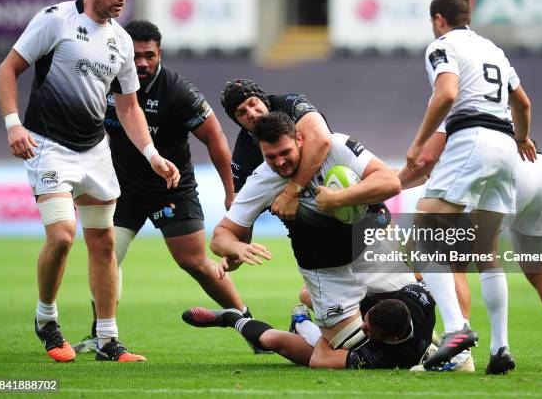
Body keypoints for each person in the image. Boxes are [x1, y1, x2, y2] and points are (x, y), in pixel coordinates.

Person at [0, 0, 180, 363]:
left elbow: (129, 107)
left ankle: (108, 341)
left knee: (104, 242)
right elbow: (7, 70)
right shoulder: (55, 19)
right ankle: (46, 319)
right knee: (61, 237)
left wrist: (151, 154)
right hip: (48, 144)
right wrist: (12, 124)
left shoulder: (122, 41)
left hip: (94, 150)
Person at [72, 20, 256, 353]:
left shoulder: (178, 91)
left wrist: (231, 193)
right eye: (136, 55)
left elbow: (215, 138)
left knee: (195, 262)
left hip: (171, 188)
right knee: (106, 255)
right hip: (120, 189)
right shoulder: (105, 79)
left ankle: (246, 322)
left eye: (149, 56)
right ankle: (102, 334)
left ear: (160, 54)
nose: (142, 63)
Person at [203, 111, 419, 351]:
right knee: (355, 347)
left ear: (299, 139)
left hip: (369, 246)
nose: (280, 162)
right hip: (326, 268)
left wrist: (337, 199)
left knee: (412, 319)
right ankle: (302, 323)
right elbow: (220, 235)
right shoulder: (262, 179)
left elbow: (390, 183)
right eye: (270, 157)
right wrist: (237, 246)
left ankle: (319, 299)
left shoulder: (336, 146)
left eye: (285, 152)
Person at [404, 0, 537, 373]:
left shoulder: (442, 46)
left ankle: (456, 329)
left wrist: (417, 144)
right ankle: (500, 349)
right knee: (486, 252)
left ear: (438, 20)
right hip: (505, 145)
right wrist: (523, 137)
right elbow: (523, 104)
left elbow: (446, 93)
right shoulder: (493, 50)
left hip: (471, 139)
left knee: (423, 236)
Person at [400, 132, 542, 370]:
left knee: (453, 264)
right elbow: (522, 105)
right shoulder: (497, 97)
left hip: (493, 168)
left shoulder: (451, 106)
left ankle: (459, 355)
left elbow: (425, 160)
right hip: (535, 164)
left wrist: (388, 182)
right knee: (539, 269)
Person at [182, 282, 436, 370]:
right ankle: (304, 317)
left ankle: (231, 318)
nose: (362, 328)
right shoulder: (415, 297)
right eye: (364, 323)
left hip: (335, 350)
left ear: (390, 338)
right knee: (306, 295)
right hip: (377, 310)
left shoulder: (377, 357)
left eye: (368, 331)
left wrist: (326, 323)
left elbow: (320, 359)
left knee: (271, 342)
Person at [220, 79, 331, 222]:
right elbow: (236, 205)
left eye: (253, 104)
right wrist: (237, 243)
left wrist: (291, 193)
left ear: (263, 100)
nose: (252, 114)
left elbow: (321, 140)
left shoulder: (289, 103)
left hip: (334, 184)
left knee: (366, 238)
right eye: (241, 112)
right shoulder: (243, 151)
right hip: (304, 218)